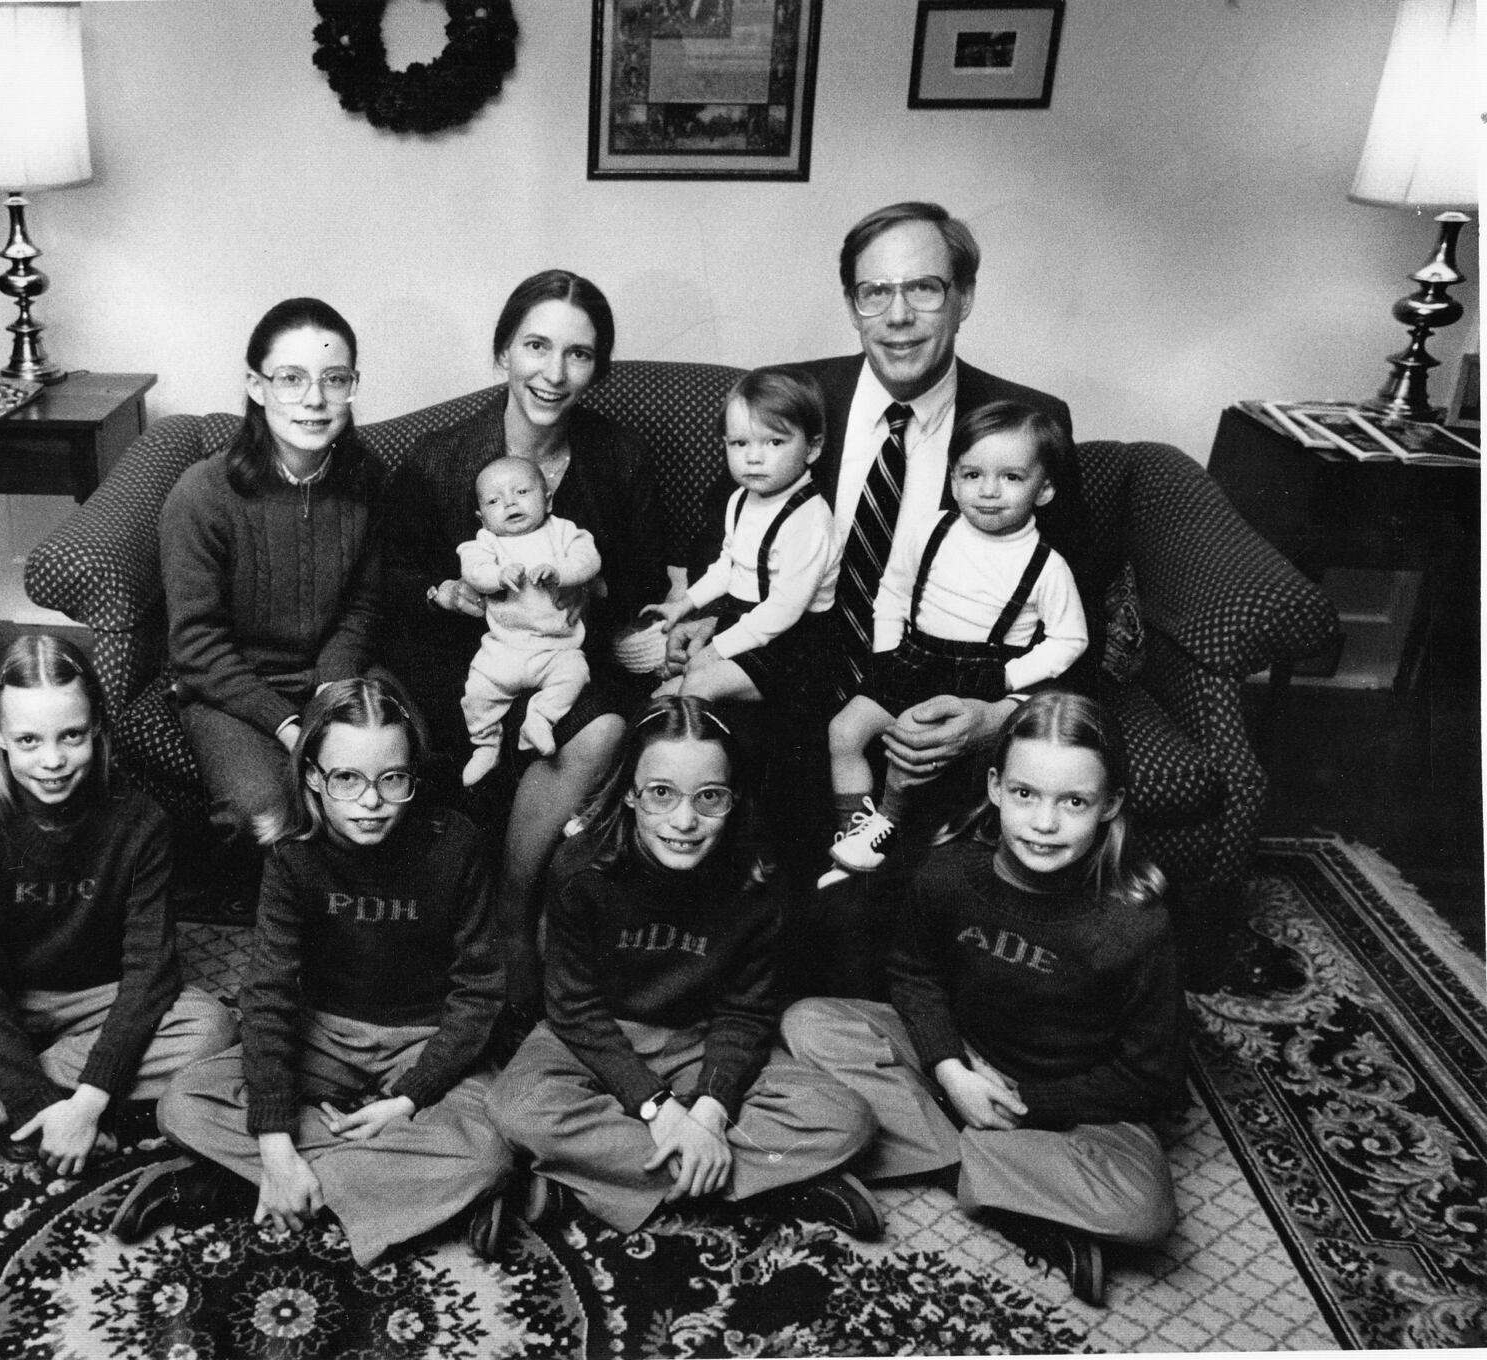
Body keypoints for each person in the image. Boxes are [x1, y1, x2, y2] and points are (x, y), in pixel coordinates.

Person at [781, 692, 1187, 1307]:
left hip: (1062, 1102)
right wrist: (950, 1069)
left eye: (1073, 802)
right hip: (958, 1065)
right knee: (808, 1022)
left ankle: (932, 1155)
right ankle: (1010, 1194)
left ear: (1110, 805)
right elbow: (914, 975)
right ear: (996, 787)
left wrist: (1023, 1103)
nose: (1043, 823)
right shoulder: (948, 873)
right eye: (1026, 794)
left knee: (1145, 1209)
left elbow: (1150, 1075)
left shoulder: (1135, 923)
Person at [670, 201, 1089, 789]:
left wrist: (998, 716)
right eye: (875, 292)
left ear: (964, 299)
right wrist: (712, 620)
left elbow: (1073, 606)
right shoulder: (794, 399)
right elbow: (723, 534)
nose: (898, 315)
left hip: (933, 706)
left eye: (923, 288)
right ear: (852, 306)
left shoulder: (1025, 423)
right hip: (783, 682)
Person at [123, 677, 513, 1265]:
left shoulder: (454, 844)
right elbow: (270, 993)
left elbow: (480, 991)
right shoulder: (292, 852)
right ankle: (374, 1185)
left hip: (424, 1041)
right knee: (183, 1102)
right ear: (311, 776)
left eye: (393, 779)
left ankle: (233, 1185)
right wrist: (277, 1144)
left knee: (494, 1150)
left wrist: (410, 1097)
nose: (372, 801)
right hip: (325, 1033)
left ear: (414, 777)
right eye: (347, 779)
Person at [380, 269, 671, 1014]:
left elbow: (639, 583)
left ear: (597, 368)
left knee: (601, 722)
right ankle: (506, 929)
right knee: (486, 726)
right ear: (503, 352)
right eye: (536, 345)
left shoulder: (622, 460)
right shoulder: (440, 456)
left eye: (578, 354)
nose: (554, 371)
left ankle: (517, 907)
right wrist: (443, 591)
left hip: (572, 653)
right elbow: (389, 577)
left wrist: (592, 587)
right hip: (461, 657)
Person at [486, 696, 884, 1241]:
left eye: (710, 797)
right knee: (515, 1107)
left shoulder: (758, 880)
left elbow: (745, 1013)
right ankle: (771, 1181)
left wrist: (711, 1112)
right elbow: (574, 1009)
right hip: (595, 1036)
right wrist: (662, 1112)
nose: (684, 820)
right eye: (661, 794)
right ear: (629, 793)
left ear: (733, 797)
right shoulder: (581, 871)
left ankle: (587, 1183)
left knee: (846, 1119)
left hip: (699, 1039)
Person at [0, 635, 235, 1183]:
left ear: (97, 725)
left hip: (103, 998)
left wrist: (87, 1101)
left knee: (210, 1028)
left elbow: (150, 973)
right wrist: (43, 1105)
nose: (52, 761)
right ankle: (48, 1113)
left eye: (71, 736)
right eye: (28, 740)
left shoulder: (141, 825)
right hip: (6, 999)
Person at [160, 296, 382, 880]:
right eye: (291, 379)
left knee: (378, 786)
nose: (314, 399)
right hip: (230, 690)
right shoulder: (203, 494)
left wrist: (330, 701)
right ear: (256, 386)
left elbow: (360, 610)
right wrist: (290, 725)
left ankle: (373, 933)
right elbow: (197, 648)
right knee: (267, 814)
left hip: (333, 677)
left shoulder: (367, 479)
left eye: (335, 379)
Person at [823, 401, 1088, 882]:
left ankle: (887, 825)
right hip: (910, 657)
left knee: (913, 742)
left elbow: (1071, 638)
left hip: (977, 678)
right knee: (844, 731)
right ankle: (854, 831)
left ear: (1044, 489)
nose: (988, 491)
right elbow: (894, 592)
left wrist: (1008, 676)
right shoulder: (931, 529)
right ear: (953, 479)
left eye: (1010, 477)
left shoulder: (1046, 565)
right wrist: (886, 654)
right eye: (971, 475)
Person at [646, 366, 839, 718]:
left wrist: (715, 650)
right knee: (658, 702)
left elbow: (783, 610)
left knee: (697, 687)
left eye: (774, 442)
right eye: (740, 443)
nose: (753, 457)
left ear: (812, 448)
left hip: (794, 648)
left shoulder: (809, 521)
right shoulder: (740, 499)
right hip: (744, 628)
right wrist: (683, 605)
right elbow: (727, 567)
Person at [457, 456, 602, 788]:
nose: (510, 502)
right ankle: (485, 744)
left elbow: (588, 559)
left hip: (556, 649)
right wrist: (496, 575)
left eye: (522, 491)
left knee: (575, 673)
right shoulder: (486, 542)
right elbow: (473, 570)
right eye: (494, 501)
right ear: (482, 518)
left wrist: (561, 573)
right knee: (478, 689)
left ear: (548, 499)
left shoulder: (564, 532)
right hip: (505, 649)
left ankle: (540, 718)